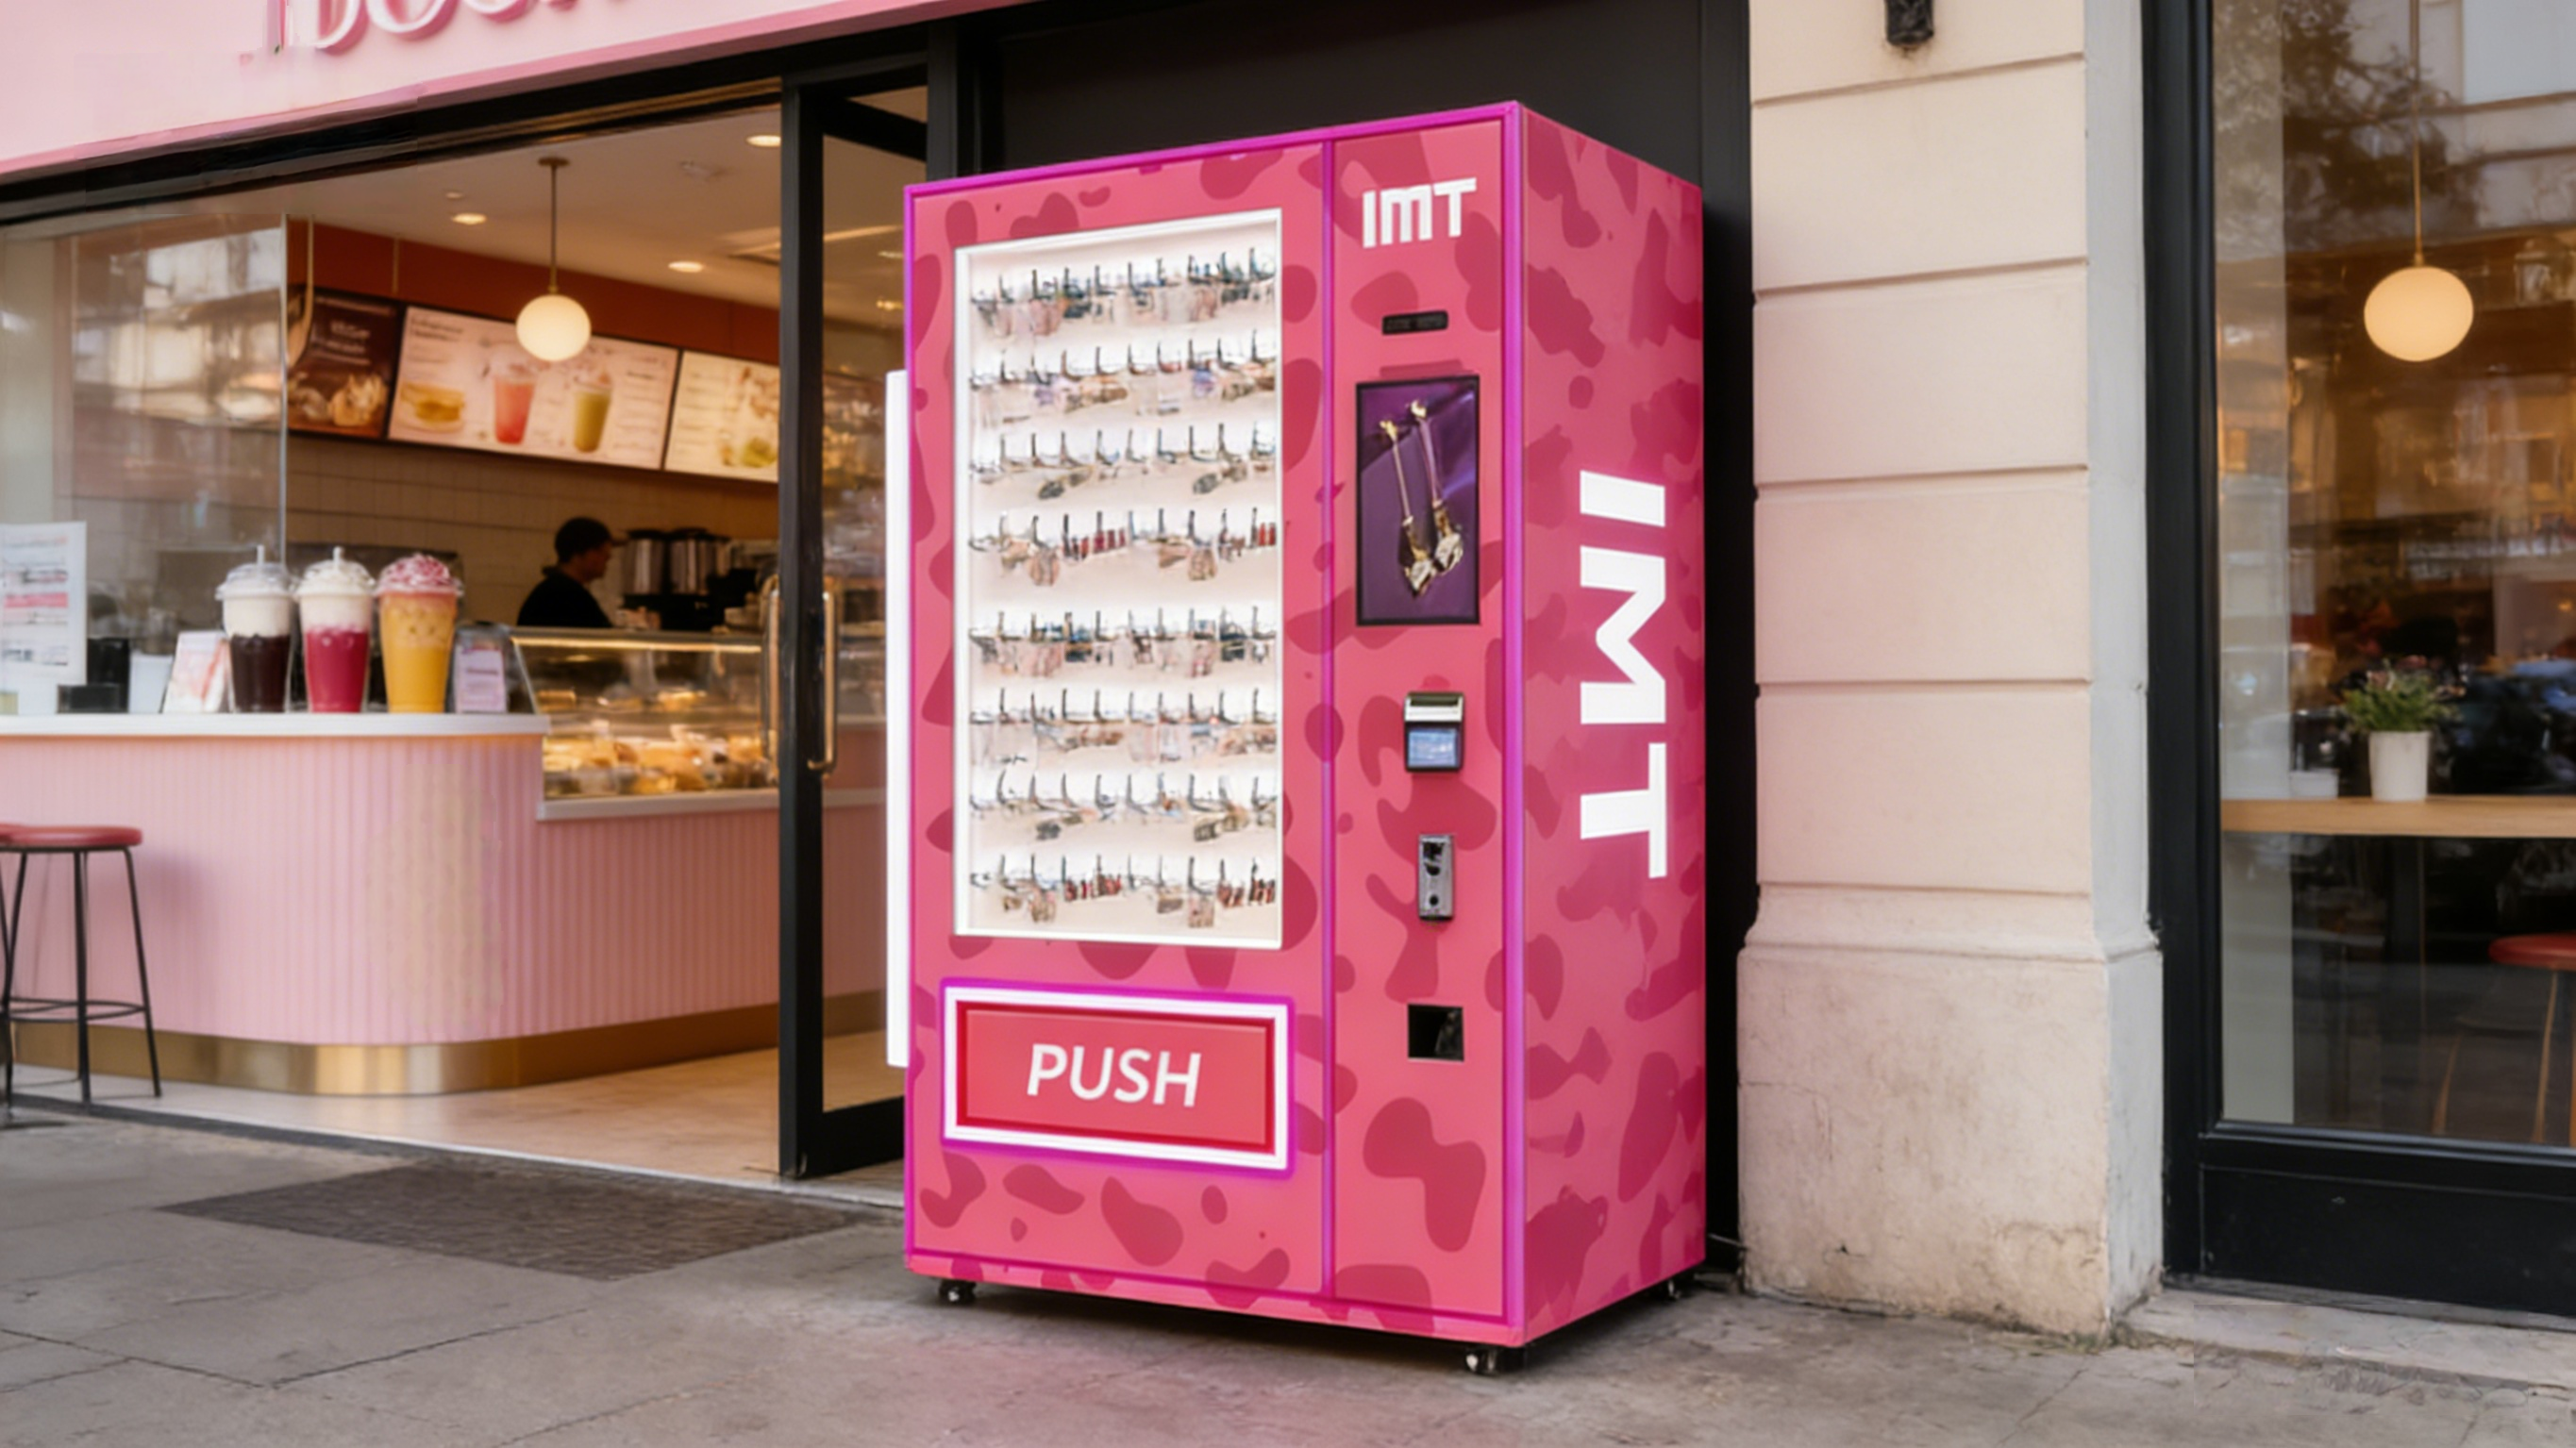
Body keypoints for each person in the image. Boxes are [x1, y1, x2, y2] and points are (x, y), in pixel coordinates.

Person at [517, 517, 617, 629]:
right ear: (578, 553)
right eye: (600, 551)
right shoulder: (569, 597)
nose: (608, 557)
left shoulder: (552, 591)